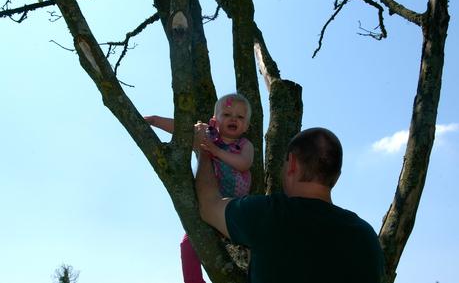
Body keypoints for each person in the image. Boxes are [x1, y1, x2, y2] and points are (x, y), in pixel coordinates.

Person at [194, 127, 385, 283]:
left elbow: (209, 205)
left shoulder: (267, 214)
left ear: (292, 163)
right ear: (336, 176)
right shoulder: (366, 236)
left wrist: (203, 151)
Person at [145, 93, 254, 283]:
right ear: (214, 120)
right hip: (207, 207)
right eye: (227, 115)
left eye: (240, 117)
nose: (233, 119)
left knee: (251, 245)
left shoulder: (244, 145)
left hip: (233, 207)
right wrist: (155, 120)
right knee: (187, 245)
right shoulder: (206, 137)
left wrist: (217, 152)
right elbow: (181, 130)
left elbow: (244, 164)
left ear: (246, 126)